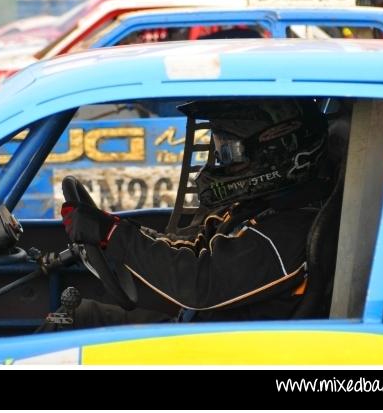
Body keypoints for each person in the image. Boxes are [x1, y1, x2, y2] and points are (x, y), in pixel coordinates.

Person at [50, 98, 343, 328]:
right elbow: (193, 247)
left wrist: (113, 235)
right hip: (202, 329)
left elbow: (199, 282)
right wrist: (110, 228)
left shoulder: (285, 233)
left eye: (228, 153)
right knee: (78, 317)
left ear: (276, 153)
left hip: (223, 350)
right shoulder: (263, 208)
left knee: (71, 326)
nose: (220, 163)